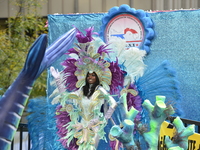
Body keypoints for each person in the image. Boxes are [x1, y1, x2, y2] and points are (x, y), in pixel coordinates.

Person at [50, 67, 117, 150]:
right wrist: (57, 79)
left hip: (95, 127)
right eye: (88, 75)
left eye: (93, 75)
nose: (90, 77)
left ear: (97, 77)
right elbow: (65, 97)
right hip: (82, 126)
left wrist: (104, 120)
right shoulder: (82, 90)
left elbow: (113, 103)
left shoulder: (100, 90)